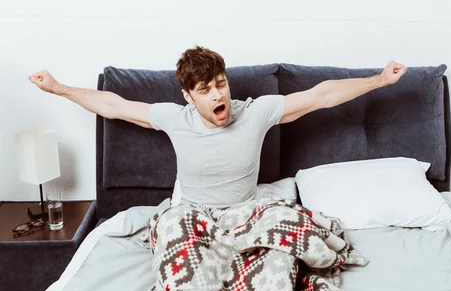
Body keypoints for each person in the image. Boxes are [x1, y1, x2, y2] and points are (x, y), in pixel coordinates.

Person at [29, 46, 407, 206]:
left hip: (246, 215)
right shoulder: (175, 119)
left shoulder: (255, 113)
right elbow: (114, 105)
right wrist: (58, 88)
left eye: (221, 84)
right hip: (193, 218)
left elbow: (321, 95)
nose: (216, 96)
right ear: (188, 96)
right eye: (205, 90)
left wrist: (379, 80)